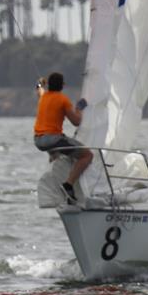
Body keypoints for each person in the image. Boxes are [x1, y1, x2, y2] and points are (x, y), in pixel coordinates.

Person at [33, 72, 93, 203]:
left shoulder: (43, 96)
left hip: (38, 140)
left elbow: (38, 87)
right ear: (63, 85)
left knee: (57, 150)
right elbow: (76, 121)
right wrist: (79, 109)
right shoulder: (63, 99)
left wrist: (41, 82)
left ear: (48, 85)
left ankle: (54, 160)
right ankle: (68, 185)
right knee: (87, 155)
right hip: (52, 139)